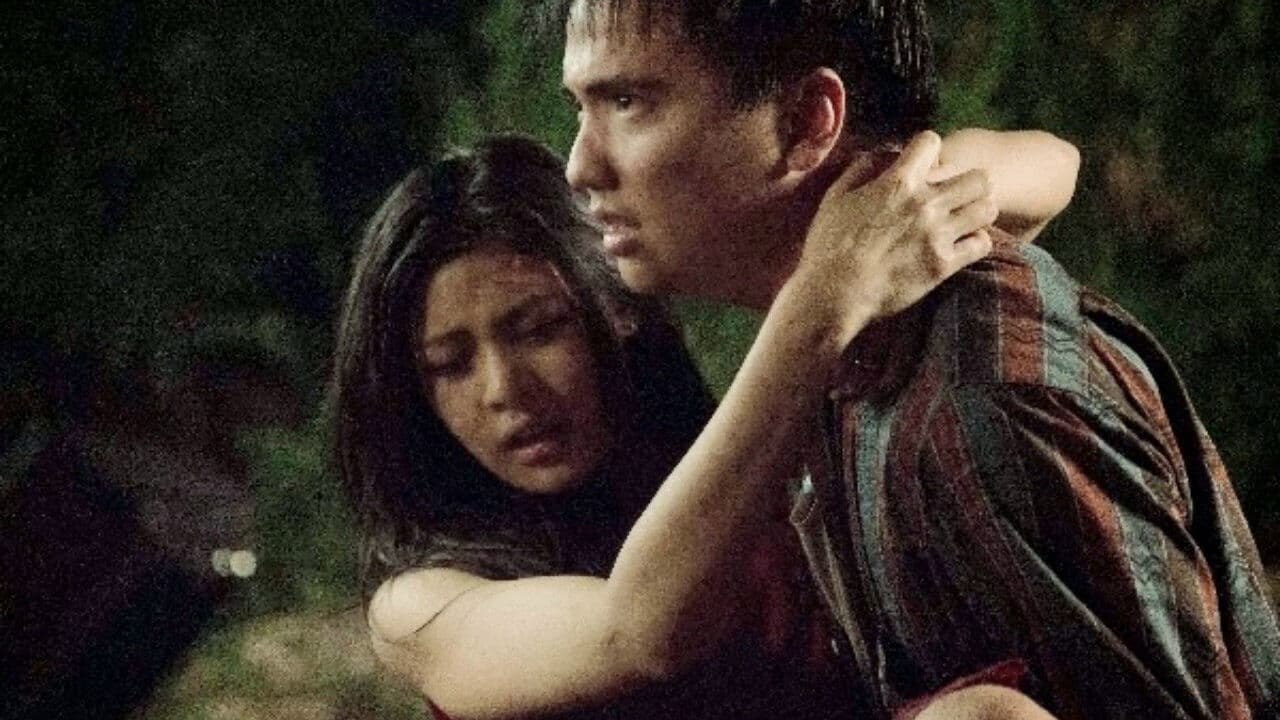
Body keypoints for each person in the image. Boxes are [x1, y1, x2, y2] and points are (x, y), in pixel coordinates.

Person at [550, 1, 1280, 719]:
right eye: (581, 107)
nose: (580, 166)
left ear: (806, 121)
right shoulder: (844, 362)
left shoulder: (979, 401)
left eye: (629, 102)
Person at [332, 134, 1071, 719]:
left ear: (616, 308)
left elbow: (1053, 167)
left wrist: (894, 197)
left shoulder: (751, 463)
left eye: (538, 328)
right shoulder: (421, 607)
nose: (504, 390)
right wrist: (823, 301)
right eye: (449, 365)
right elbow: (638, 632)